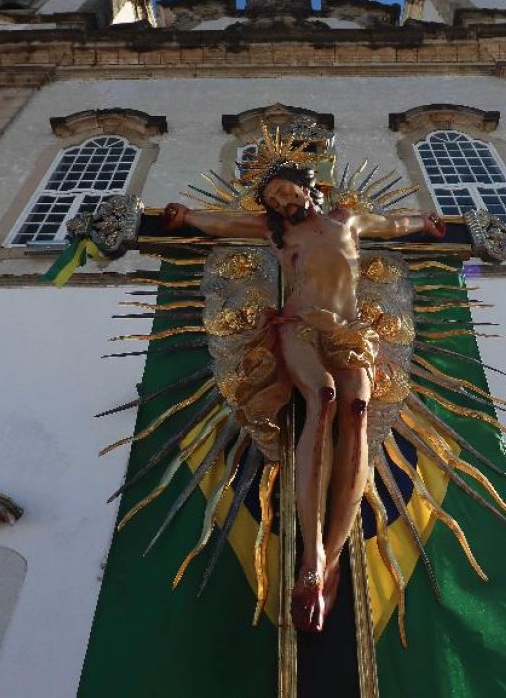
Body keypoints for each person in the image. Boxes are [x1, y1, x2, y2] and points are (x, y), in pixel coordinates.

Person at [162, 163, 445, 633]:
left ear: (307, 187)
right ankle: (310, 549)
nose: (280, 202)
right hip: (299, 326)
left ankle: (328, 558)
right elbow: (221, 223)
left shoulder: (347, 222)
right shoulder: (273, 232)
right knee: (325, 396)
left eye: (283, 191)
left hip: (351, 331)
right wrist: (186, 216)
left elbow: (395, 224)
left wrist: (426, 224)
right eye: (272, 199)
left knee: (357, 412)